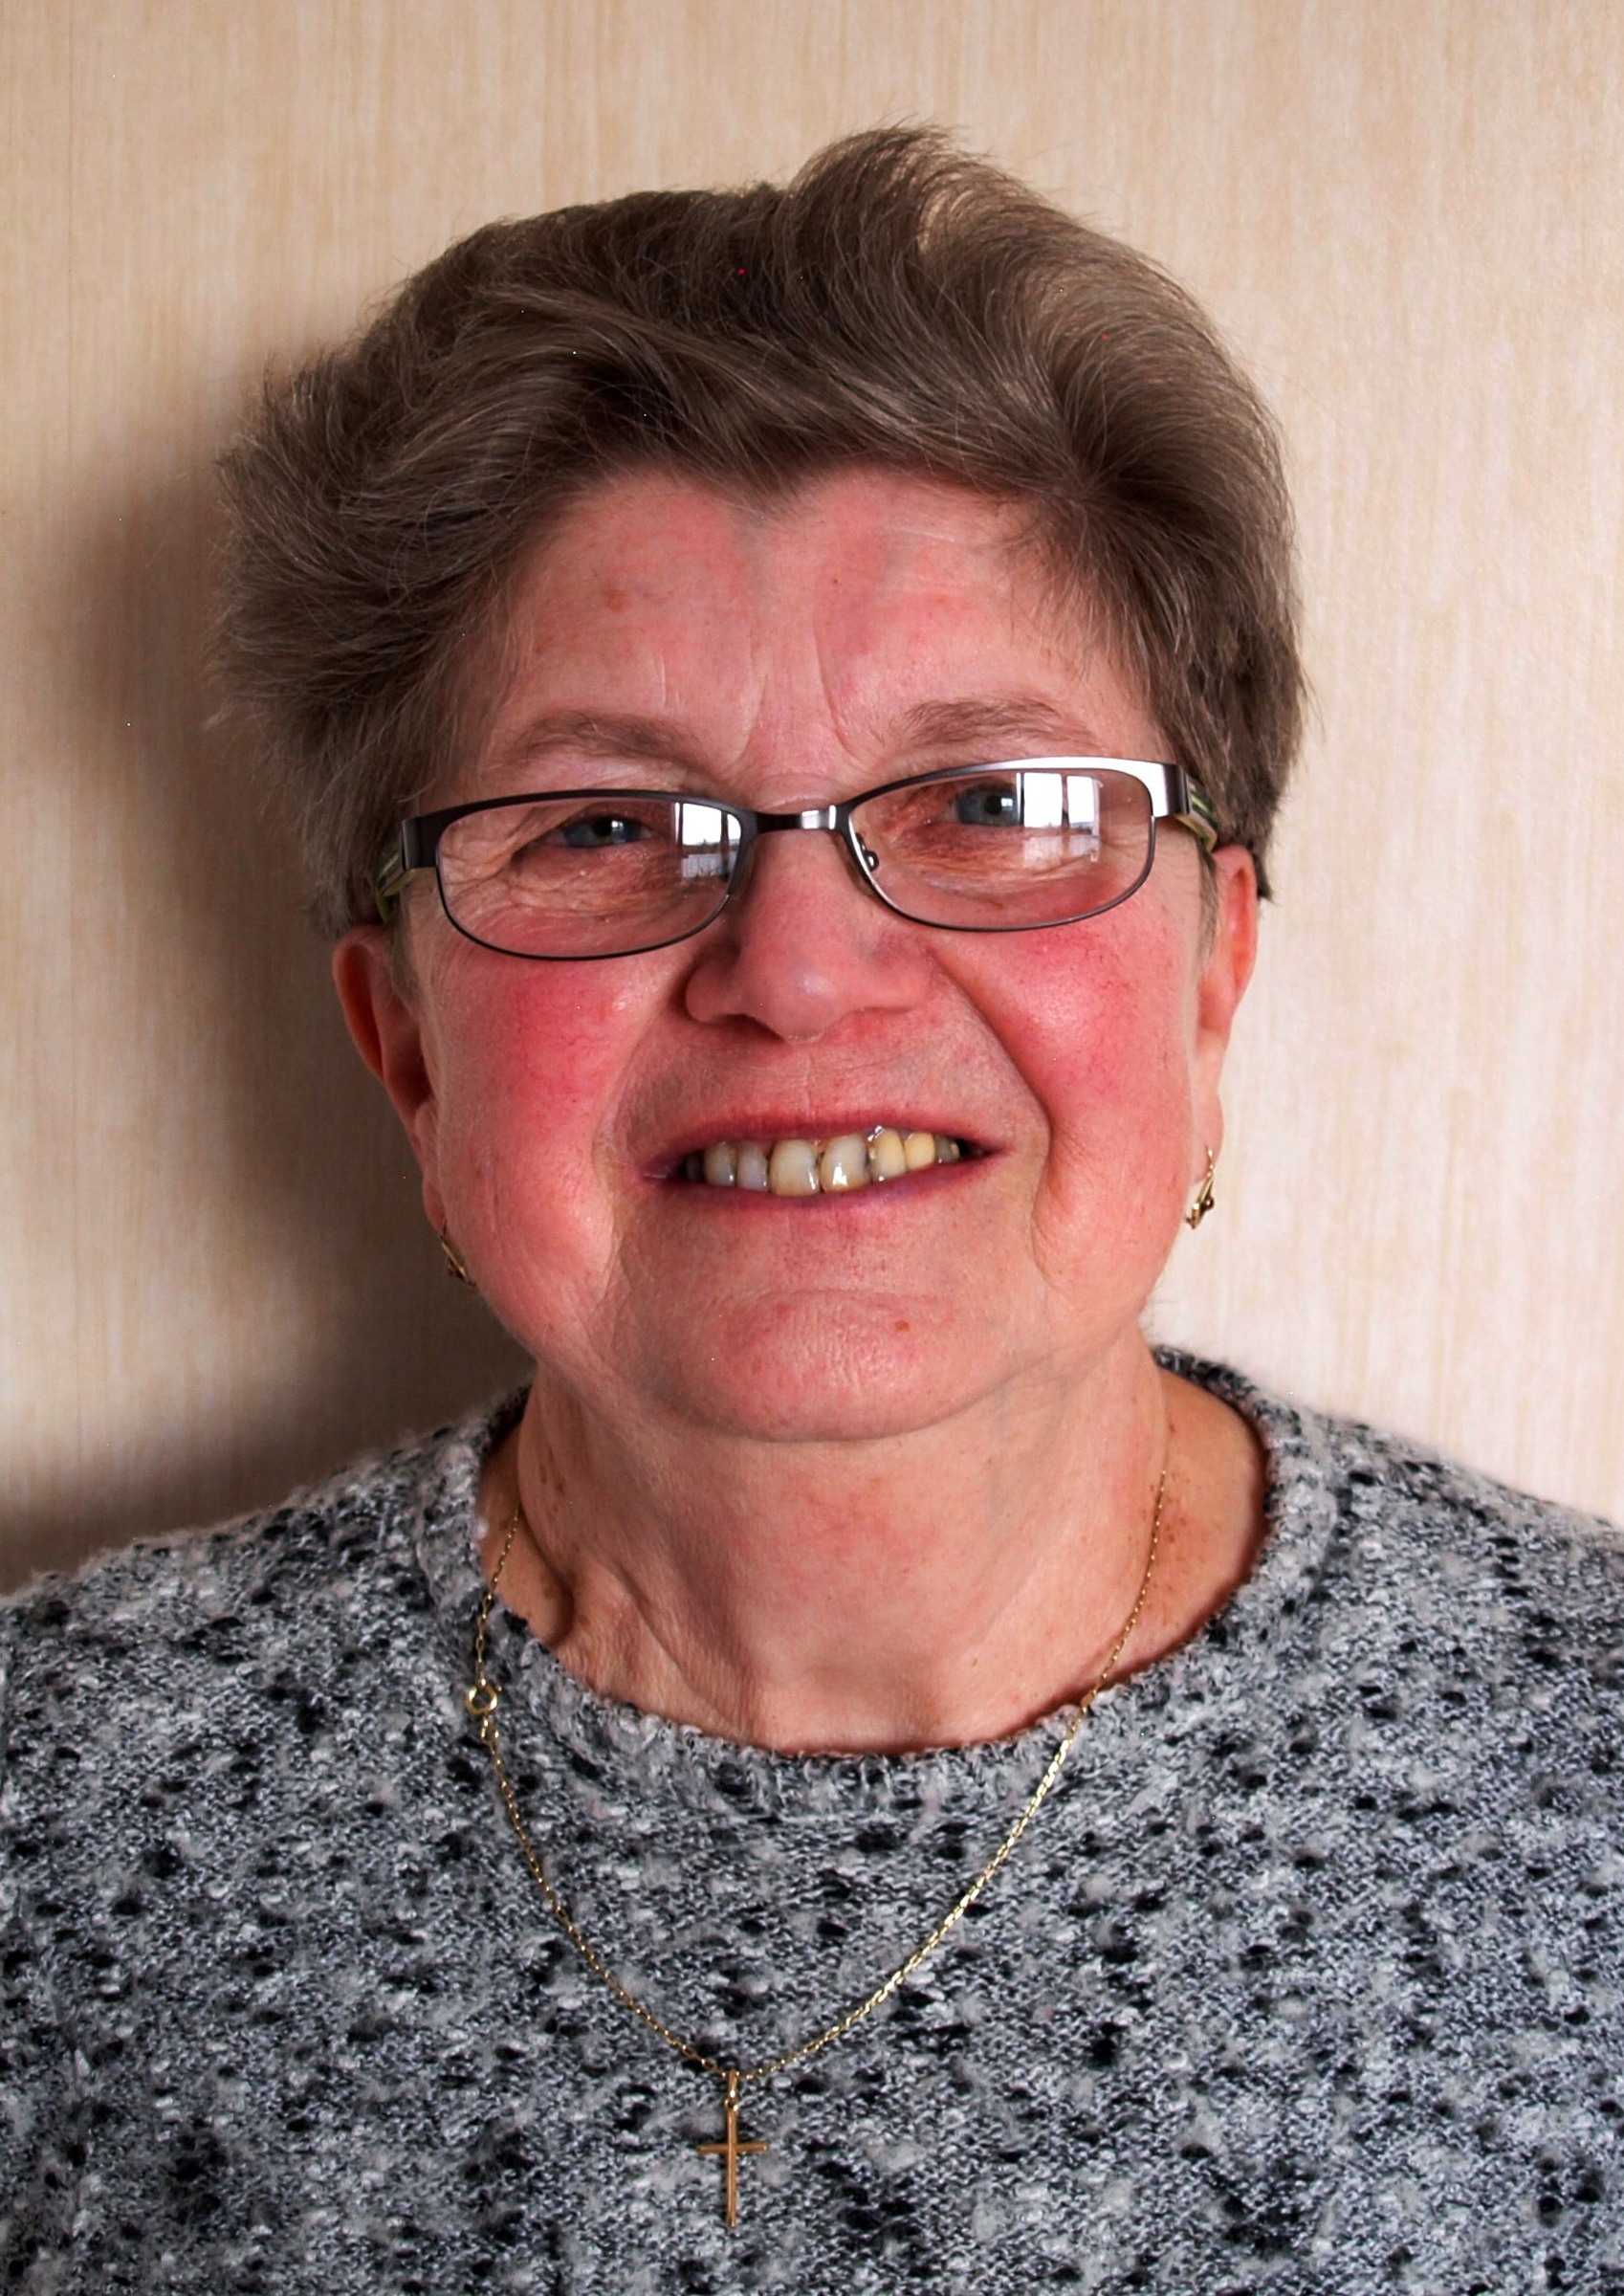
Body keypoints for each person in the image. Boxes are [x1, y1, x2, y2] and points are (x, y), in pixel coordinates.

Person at [2, 128, 1619, 2294]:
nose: (800, 974)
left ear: (1210, 972)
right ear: (407, 1045)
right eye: (601, 824)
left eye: (991, 803)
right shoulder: (57, 1820)